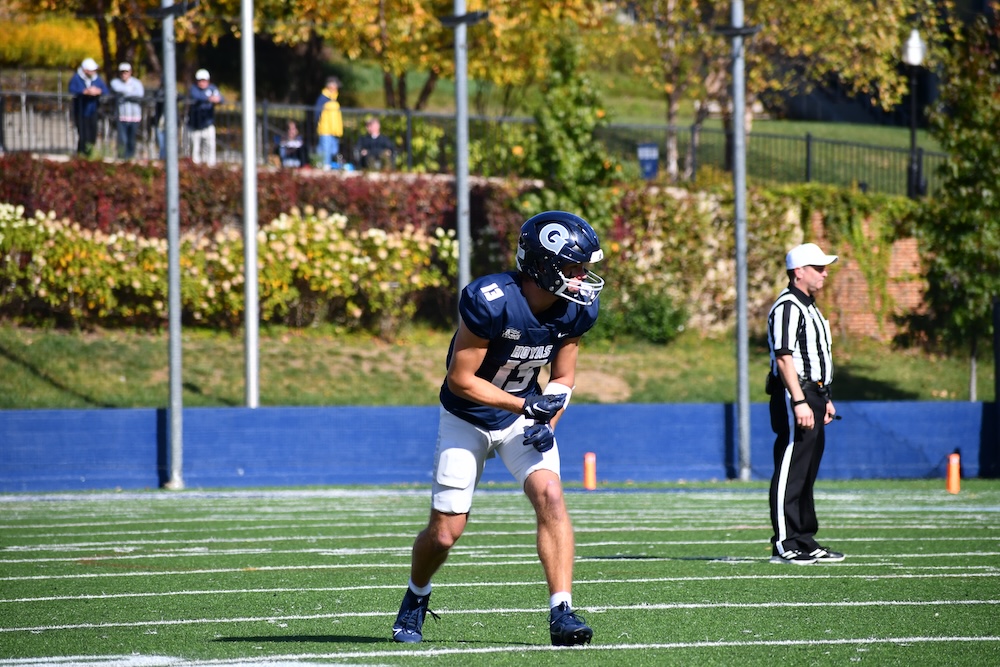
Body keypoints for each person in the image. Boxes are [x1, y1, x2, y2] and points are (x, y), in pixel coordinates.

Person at [391, 210, 605, 647]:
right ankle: (416, 595)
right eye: (573, 267)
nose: (583, 277)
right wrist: (526, 404)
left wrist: (550, 421)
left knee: (550, 494)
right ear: (544, 266)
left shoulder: (573, 310)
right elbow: (461, 379)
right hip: (466, 417)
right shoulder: (491, 299)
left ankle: (561, 610)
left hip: (520, 417)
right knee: (446, 532)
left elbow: (562, 379)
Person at [766, 242, 844, 566]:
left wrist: (823, 398)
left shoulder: (811, 308)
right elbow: (785, 358)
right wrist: (799, 400)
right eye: (818, 267)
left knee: (808, 468)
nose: (825, 273)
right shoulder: (787, 306)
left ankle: (805, 538)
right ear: (799, 272)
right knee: (791, 465)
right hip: (794, 393)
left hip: (813, 393)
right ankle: (785, 542)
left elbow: (815, 358)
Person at [68, 58, 109, 156]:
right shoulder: (77, 78)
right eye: (91, 70)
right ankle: (81, 154)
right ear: (85, 70)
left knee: (92, 134)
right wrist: (85, 91)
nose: (94, 72)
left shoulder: (96, 78)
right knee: (83, 135)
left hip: (93, 110)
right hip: (80, 110)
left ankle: (90, 153)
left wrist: (98, 91)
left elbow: (105, 90)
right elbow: (72, 90)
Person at [187, 68, 223, 166]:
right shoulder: (194, 88)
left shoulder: (212, 88)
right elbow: (197, 96)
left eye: (204, 80)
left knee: (210, 146)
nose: (202, 83)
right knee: (195, 148)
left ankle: (210, 166)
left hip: (208, 124)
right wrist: (209, 98)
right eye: (200, 80)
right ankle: (196, 167)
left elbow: (220, 98)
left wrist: (217, 99)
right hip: (195, 125)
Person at [109, 63, 145, 160]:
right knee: (122, 139)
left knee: (131, 140)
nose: (124, 74)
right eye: (122, 72)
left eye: (126, 72)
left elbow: (140, 94)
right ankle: (122, 158)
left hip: (134, 116)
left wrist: (125, 94)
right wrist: (131, 93)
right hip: (122, 116)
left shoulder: (137, 83)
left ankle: (130, 158)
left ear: (130, 72)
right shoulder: (115, 82)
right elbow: (117, 89)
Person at [314, 76, 343, 170]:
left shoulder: (334, 98)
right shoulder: (323, 98)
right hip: (325, 128)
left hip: (334, 130)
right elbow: (317, 113)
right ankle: (324, 165)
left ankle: (321, 162)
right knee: (325, 149)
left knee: (333, 150)